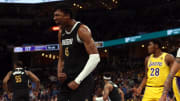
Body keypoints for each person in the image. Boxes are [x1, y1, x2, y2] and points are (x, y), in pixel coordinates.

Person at [53, 5, 100, 101]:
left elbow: (95, 58)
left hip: (82, 79)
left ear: (67, 16)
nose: (54, 18)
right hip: (67, 78)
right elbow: (61, 57)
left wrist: (78, 80)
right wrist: (59, 73)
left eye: (57, 15)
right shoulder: (61, 32)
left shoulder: (81, 30)